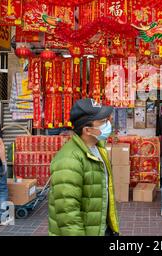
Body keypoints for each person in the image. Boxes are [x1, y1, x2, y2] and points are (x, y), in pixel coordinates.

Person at [48, 98, 119, 236]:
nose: (108, 124)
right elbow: (68, 215)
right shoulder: (69, 160)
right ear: (87, 130)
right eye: (103, 122)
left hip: (99, 229)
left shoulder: (98, 148)